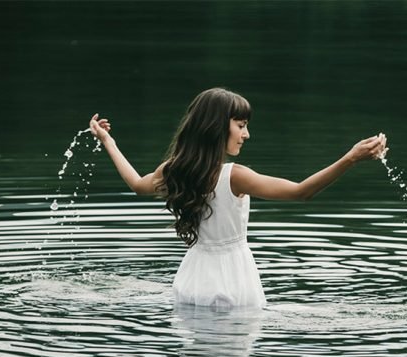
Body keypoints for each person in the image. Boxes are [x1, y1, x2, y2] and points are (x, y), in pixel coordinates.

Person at [89, 87, 387, 310]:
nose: (246, 134)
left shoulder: (176, 170)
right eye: (241, 125)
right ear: (217, 126)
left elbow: (136, 185)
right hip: (234, 282)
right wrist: (350, 158)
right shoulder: (235, 176)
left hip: (192, 283)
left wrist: (108, 141)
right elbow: (301, 192)